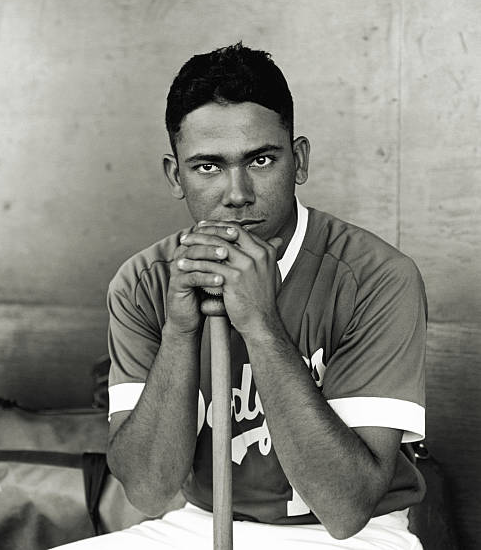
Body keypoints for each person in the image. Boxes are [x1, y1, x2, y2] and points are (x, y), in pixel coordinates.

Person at [54, 43, 426, 549]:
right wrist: (180, 332)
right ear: (174, 175)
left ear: (299, 161)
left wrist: (261, 322)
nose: (237, 193)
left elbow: (346, 508)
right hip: (198, 523)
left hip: (350, 538)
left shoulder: (377, 276)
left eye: (262, 160)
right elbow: (147, 488)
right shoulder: (143, 281)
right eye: (208, 166)